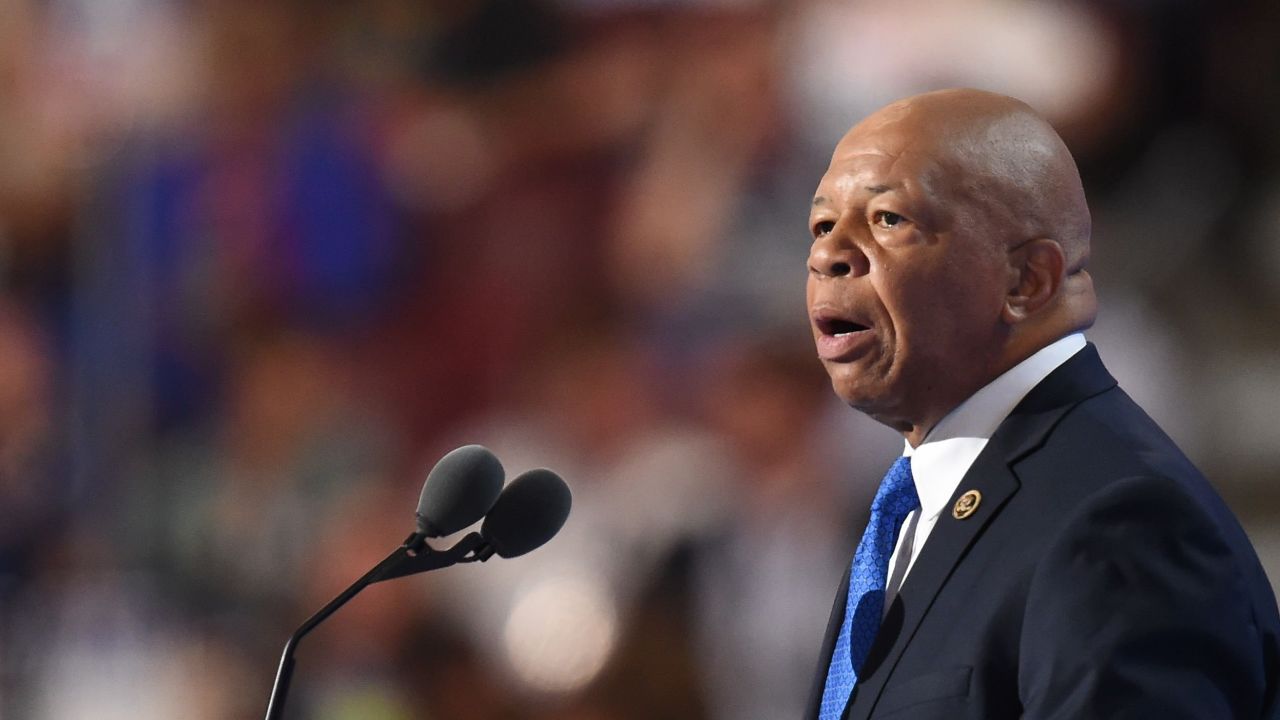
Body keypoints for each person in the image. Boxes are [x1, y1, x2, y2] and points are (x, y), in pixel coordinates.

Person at [802, 88, 1280, 720]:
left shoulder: (1121, 524)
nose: (826, 254)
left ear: (1027, 281)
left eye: (889, 219)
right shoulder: (911, 514)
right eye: (822, 224)